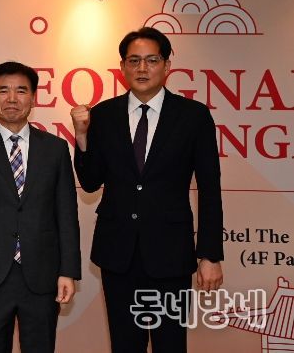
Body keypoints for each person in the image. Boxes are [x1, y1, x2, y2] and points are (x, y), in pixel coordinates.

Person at [70, 27, 224, 353]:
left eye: (152, 60)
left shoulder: (193, 116)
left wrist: (209, 255)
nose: (142, 68)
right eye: (134, 60)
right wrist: (82, 136)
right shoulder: (103, 115)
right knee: (125, 345)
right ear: (122, 67)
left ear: (167, 66)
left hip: (171, 253)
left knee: (171, 344)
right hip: (118, 252)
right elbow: (91, 182)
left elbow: (210, 189)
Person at [0, 61, 81, 353]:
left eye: (21, 91)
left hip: (42, 272)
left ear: (33, 98)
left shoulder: (55, 148)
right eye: (3, 91)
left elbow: (66, 214)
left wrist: (68, 271)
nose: (12, 98)